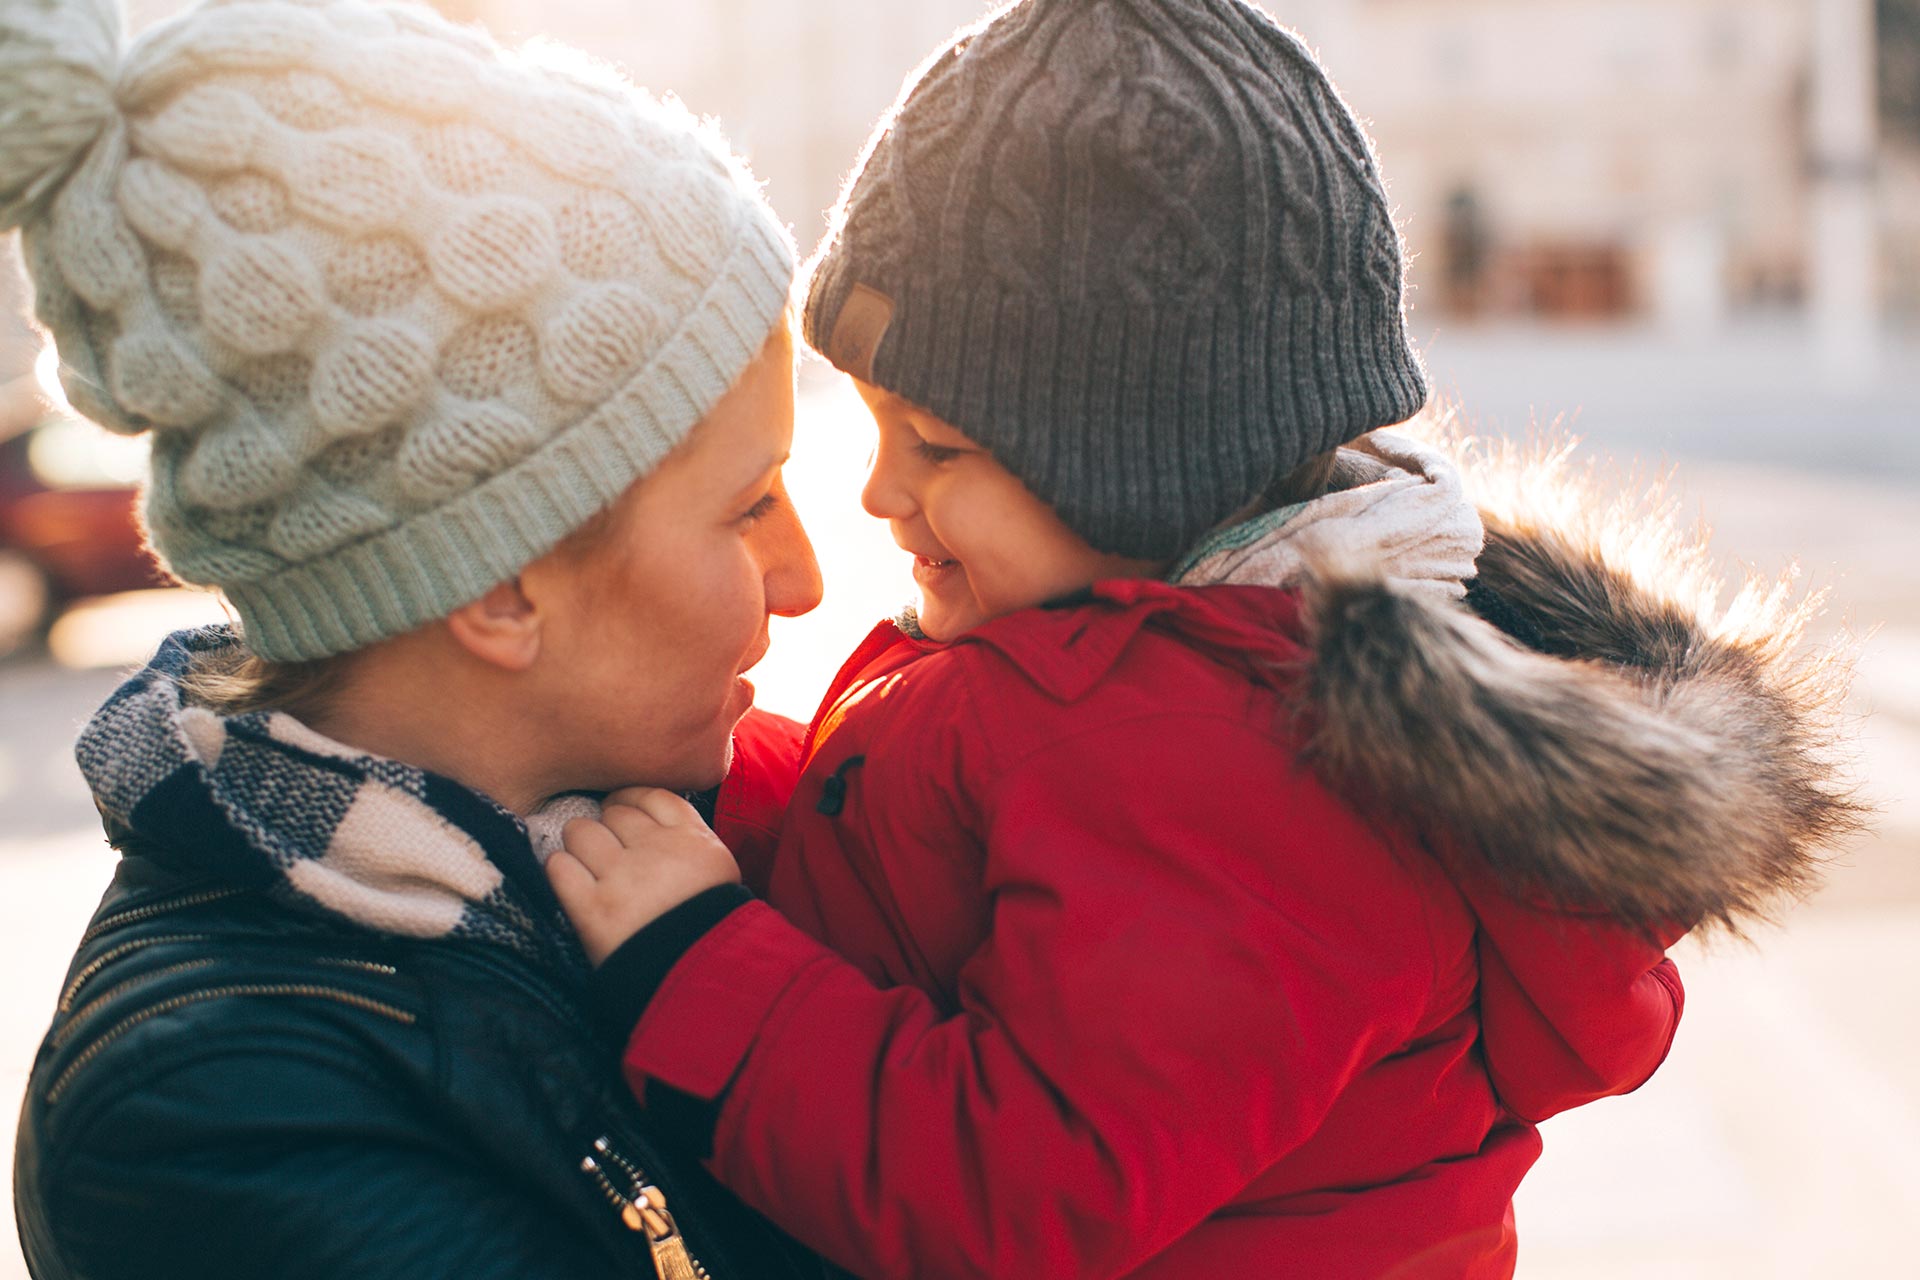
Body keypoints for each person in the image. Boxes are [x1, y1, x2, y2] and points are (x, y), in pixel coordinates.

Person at [547, 2, 1866, 1277]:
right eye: (878, 427)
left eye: (937, 448)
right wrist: (722, 782)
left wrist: (694, 959)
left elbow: (1022, 1194)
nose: (881, 492)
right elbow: (918, 855)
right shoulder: (1122, 666)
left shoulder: (1244, 771)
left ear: (1148, 463)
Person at [4, 0, 839, 1276]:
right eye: (748, 505)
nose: (805, 580)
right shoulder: (214, 1122)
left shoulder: (699, 828)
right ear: (503, 588)